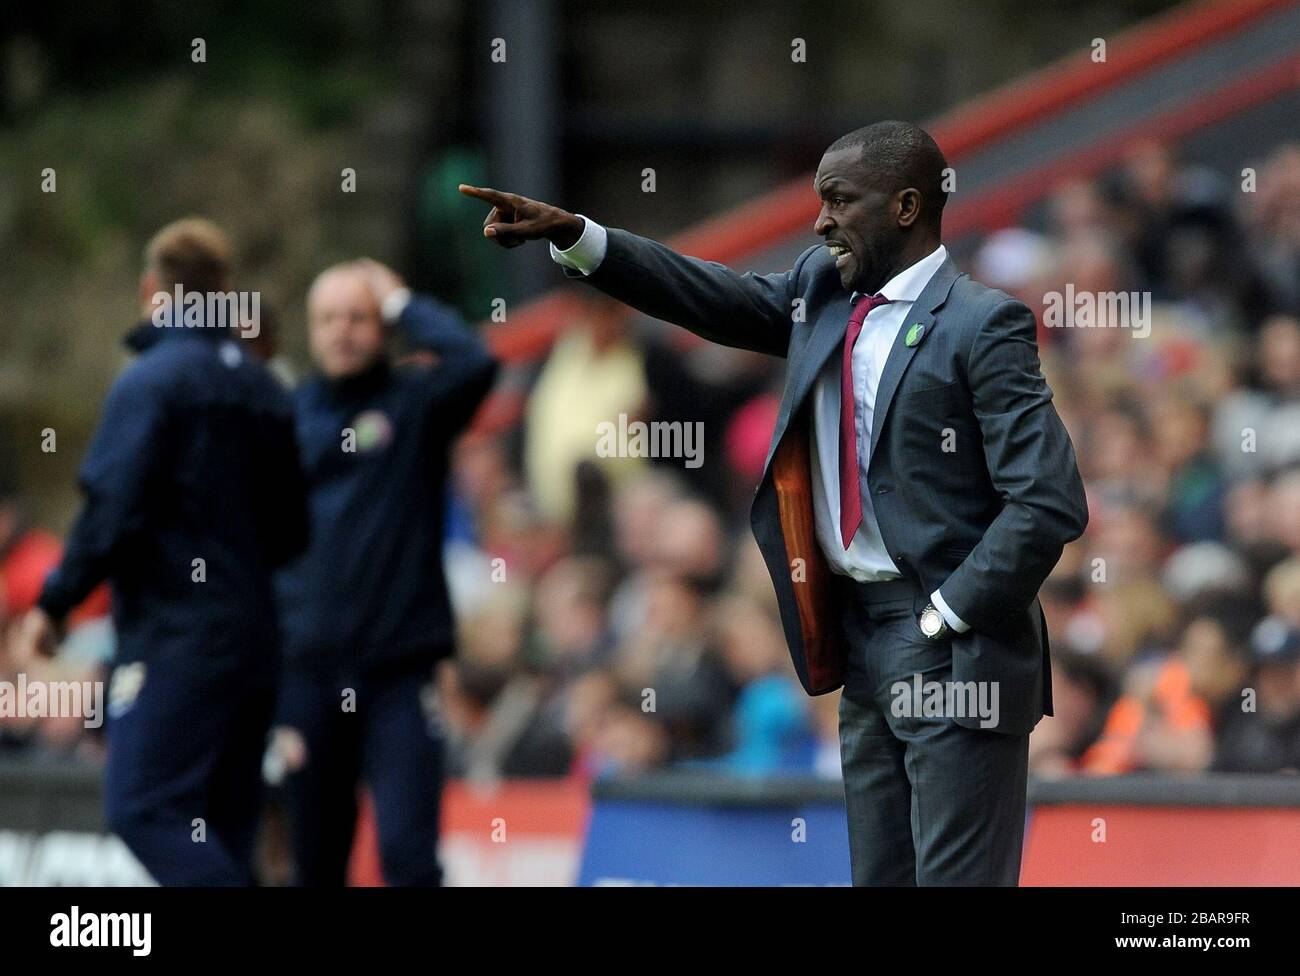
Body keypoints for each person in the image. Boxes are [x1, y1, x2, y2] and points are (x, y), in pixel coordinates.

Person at [461, 119, 1088, 886]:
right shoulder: (820, 291)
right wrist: (585, 240)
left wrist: (947, 612)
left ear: (906, 206)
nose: (820, 219)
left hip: (958, 646)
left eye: (838, 200)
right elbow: (707, 295)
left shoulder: (984, 323)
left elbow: (1048, 500)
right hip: (861, 640)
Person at [16, 218, 308, 885]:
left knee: (142, 806)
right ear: (225, 291)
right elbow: (293, 533)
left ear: (152, 289)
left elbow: (110, 508)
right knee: (224, 825)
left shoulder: (152, 381)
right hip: (256, 643)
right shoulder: (269, 390)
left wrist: (55, 604)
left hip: (176, 639)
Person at [272, 259, 497, 886]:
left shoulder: (415, 403)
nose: (343, 331)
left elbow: (476, 363)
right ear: (310, 330)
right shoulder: (282, 419)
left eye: (359, 316)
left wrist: (403, 300)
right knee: (314, 862)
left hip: (399, 677)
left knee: (407, 855)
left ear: (384, 327)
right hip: (307, 678)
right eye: (329, 319)